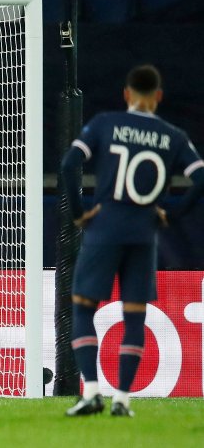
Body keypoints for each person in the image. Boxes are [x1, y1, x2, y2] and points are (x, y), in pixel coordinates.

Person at [61, 65, 204, 417]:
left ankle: (91, 392)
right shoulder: (173, 135)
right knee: (135, 314)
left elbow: (69, 164)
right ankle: (122, 400)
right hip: (144, 234)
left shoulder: (105, 123)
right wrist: (173, 214)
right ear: (158, 96)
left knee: (83, 307)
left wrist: (79, 213)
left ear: (126, 94)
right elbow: (200, 177)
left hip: (105, 228)